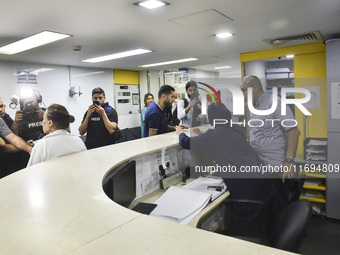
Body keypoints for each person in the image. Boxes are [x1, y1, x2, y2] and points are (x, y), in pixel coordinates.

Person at [176, 103, 277, 236]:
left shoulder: (215, 135)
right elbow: (222, 137)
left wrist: (180, 132)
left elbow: (186, 143)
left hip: (249, 192)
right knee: (265, 226)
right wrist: (204, 134)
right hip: (263, 185)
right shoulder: (235, 128)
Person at [240, 75, 300, 210]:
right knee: (268, 207)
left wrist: (289, 161)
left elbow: (293, 131)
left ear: (254, 88)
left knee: (279, 207)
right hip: (261, 166)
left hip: (276, 167)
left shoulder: (275, 103)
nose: (242, 94)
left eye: (244, 90)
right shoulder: (254, 107)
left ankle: (285, 230)